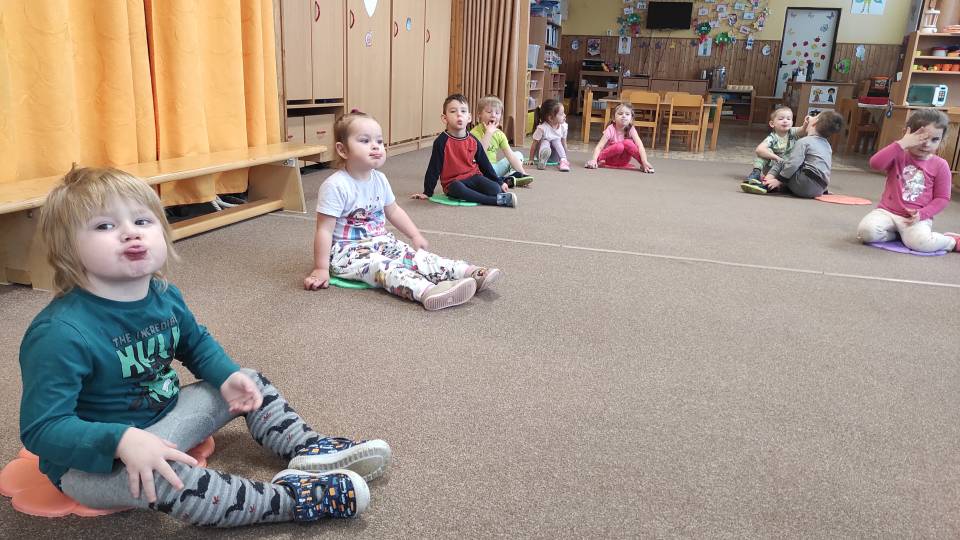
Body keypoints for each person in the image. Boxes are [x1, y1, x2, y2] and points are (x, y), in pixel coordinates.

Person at [19, 166, 393, 527]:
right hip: (95, 463)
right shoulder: (59, 333)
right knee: (171, 482)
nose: (130, 233)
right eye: (105, 225)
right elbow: (42, 428)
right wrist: (120, 440)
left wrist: (227, 377)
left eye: (143, 221)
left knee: (247, 379)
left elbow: (195, 344)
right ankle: (290, 500)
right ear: (67, 249)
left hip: (164, 419)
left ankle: (307, 447)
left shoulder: (164, 295)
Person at [307, 111, 504, 309]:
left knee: (416, 257)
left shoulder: (379, 179)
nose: (375, 146)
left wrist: (414, 235)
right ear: (342, 150)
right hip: (348, 252)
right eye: (365, 141)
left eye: (379, 141)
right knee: (384, 267)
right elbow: (324, 230)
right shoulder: (335, 186)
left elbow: (393, 211)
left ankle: (466, 272)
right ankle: (427, 291)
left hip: (381, 241)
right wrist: (321, 268)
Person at [856, 108, 960, 253]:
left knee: (921, 243)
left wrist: (923, 214)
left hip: (916, 218)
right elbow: (875, 164)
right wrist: (901, 144)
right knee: (866, 232)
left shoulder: (940, 165)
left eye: (934, 139)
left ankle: (951, 241)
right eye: (921, 138)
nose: (927, 144)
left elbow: (942, 198)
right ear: (907, 134)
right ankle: (897, 235)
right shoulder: (898, 155)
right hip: (887, 212)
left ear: (941, 140)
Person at [415, 94, 518, 208]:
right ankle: (494, 201)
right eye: (453, 111)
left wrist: (499, 182)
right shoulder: (441, 142)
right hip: (453, 182)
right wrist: (427, 192)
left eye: (463, 111)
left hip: (473, 177)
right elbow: (433, 168)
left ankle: (494, 191)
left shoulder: (473, 140)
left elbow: (485, 165)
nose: (459, 114)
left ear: (469, 118)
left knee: (495, 189)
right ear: (445, 118)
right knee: (458, 188)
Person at [742, 110, 844, 198]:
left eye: (814, 116)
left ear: (814, 123)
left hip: (802, 185)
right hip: (819, 189)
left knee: (783, 161)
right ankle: (783, 187)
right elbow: (825, 168)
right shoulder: (827, 145)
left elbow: (793, 164)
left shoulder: (804, 142)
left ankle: (766, 183)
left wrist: (780, 180)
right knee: (801, 168)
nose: (810, 117)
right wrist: (823, 189)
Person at [470, 95, 533, 188]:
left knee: (517, 155)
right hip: (479, 170)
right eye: (489, 112)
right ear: (479, 114)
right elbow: (479, 154)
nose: (493, 115)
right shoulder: (474, 133)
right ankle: (501, 180)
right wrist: (488, 133)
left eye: (497, 113)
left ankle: (513, 176)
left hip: (494, 169)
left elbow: (510, 156)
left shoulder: (499, 134)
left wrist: (523, 173)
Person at [741, 106, 807, 188]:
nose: (785, 121)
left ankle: (775, 184)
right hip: (772, 169)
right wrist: (777, 158)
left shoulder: (793, 132)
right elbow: (759, 149)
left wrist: (806, 124)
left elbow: (803, 130)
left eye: (788, 119)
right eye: (781, 119)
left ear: (792, 122)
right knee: (766, 150)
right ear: (772, 124)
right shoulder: (772, 137)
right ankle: (756, 173)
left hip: (788, 168)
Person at [584, 102, 654, 172]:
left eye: (627, 114)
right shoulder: (610, 128)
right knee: (619, 146)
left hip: (624, 162)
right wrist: (594, 159)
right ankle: (596, 160)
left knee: (628, 143)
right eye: (620, 114)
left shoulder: (631, 129)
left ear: (631, 119)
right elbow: (599, 147)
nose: (624, 116)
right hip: (611, 160)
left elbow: (640, 146)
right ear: (614, 119)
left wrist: (644, 161)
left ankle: (644, 165)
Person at [530, 99, 570, 172]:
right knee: (545, 141)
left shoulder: (563, 127)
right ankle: (543, 159)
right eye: (561, 114)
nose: (565, 115)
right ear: (551, 118)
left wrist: (565, 157)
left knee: (556, 140)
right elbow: (534, 144)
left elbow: (564, 143)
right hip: (541, 153)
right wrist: (531, 159)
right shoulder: (542, 128)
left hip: (556, 156)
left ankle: (563, 160)